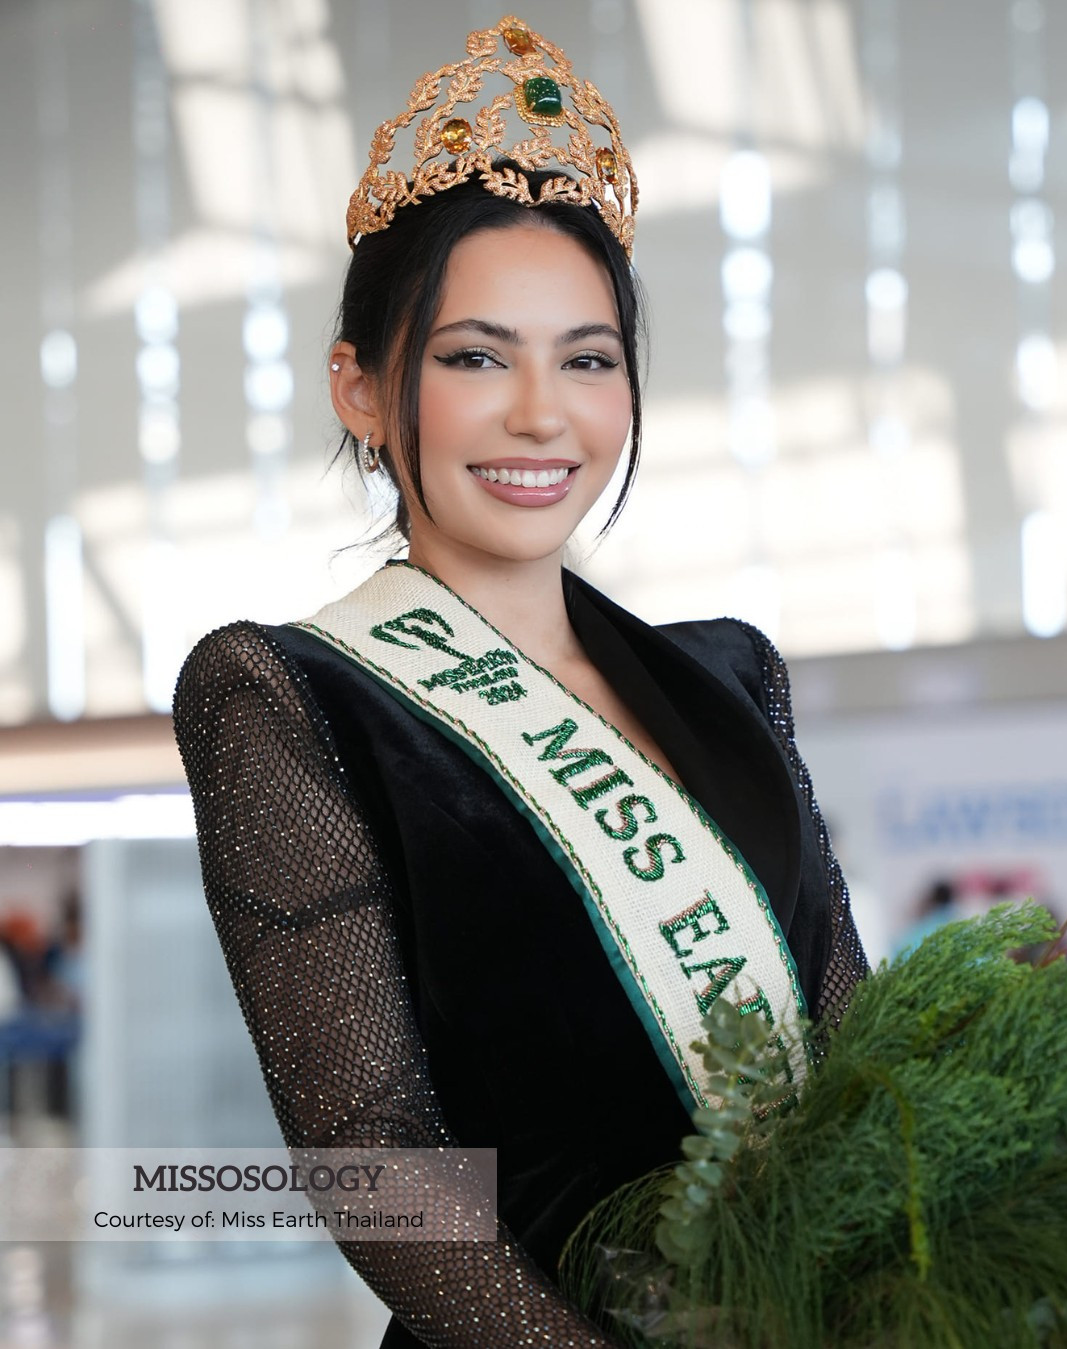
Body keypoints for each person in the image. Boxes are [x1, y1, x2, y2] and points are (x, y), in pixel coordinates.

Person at [173, 16, 868, 1348]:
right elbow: (372, 1153)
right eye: (477, 357)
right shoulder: (291, 696)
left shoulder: (729, 677)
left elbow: (850, 1036)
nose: (542, 414)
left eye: (589, 359)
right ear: (363, 392)